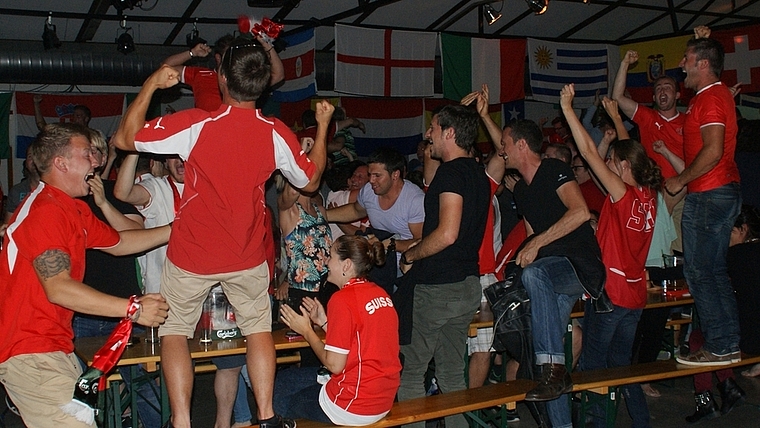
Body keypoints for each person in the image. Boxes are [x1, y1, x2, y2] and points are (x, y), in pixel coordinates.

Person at [112, 37, 334, 428]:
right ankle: (265, 416)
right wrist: (325, 124)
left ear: (221, 80)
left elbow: (125, 139)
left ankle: (181, 421)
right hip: (247, 254)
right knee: (257, 330)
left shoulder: (197, 123)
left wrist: (150, 85)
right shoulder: (275, 131)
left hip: (193, 253)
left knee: (175, 332)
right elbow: (311, 181)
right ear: (264, 85)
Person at [0, 123, 170, 428]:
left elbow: (120, 244)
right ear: (60, 163)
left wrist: (176, 230)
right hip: (30, 350)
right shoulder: (46, 211)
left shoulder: (70, 208)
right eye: (87, 154)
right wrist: (134, 309)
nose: (96, 160)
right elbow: (59, 289)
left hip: (51, 347)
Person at [562, 85, 660, 427]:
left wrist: (568, 109)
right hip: (633, 297)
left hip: (610, 296)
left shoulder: (622, 194)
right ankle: (641, 421)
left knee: (594, 365)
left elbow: (588, 152)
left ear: (620, 168)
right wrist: (618, 120)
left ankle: (595, 423)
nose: (608, 166)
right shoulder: (649, 194)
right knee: (622, 366)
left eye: (613, 163)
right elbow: (635, 154)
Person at [499, 118, 604, 428]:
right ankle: (561, 422)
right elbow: (534, 238)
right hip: (551, 275)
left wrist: (535, 248)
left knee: (535, 275)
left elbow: (581, 212)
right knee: (547, 361)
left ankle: (553, 370)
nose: (500, 151)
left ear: (521, 145)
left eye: (505, 145)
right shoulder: (523, 191)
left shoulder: (553, 169)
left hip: (580, 264)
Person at [396, 104, 490, 428]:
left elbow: (447, 233)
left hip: (439, 287)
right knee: (451, 373)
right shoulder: (477, 171)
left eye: (433, 128)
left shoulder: (452, 173)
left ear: (449, 133)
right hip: (466, 286)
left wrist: (410, 255)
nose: (427, 134)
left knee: (410, 372)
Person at [667, 36, 742, 366]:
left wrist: (680, 180)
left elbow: (712, 151)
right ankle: (727, 344)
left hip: (709, 192)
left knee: (699, 272)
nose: (681, 64)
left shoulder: (711, 98)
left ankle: (720, 345)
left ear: (702, 64)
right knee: (713, 272)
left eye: (686, 58)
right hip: (720, 190)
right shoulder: (714, 96)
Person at [275, 235, 401, 425]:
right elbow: (360, 341)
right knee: (288, 378)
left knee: (284, 396)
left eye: (331, 256)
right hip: (383, 399)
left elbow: (334, 366)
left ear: (346, 265)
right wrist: (325, 322)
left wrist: (307, 330)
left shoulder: (342, 299)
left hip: (354, 405)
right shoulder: (380, 293)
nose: (326, 261)